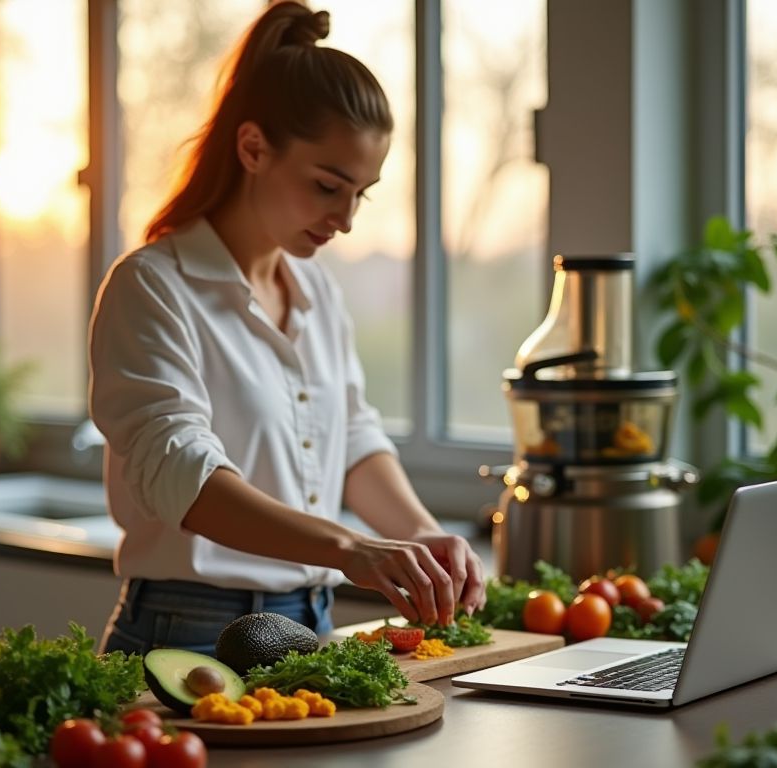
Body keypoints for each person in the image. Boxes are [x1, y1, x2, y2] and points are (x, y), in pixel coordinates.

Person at [89, 0, 486, 657]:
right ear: (253, 148)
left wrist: (422, 537)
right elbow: (181, 472)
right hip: (185, 633)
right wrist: (351, 548)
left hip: (312, 626)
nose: (347, 218)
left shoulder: (317, 292)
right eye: (328, 186)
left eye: (362, 192)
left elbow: (353, 439)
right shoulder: (152, 285)